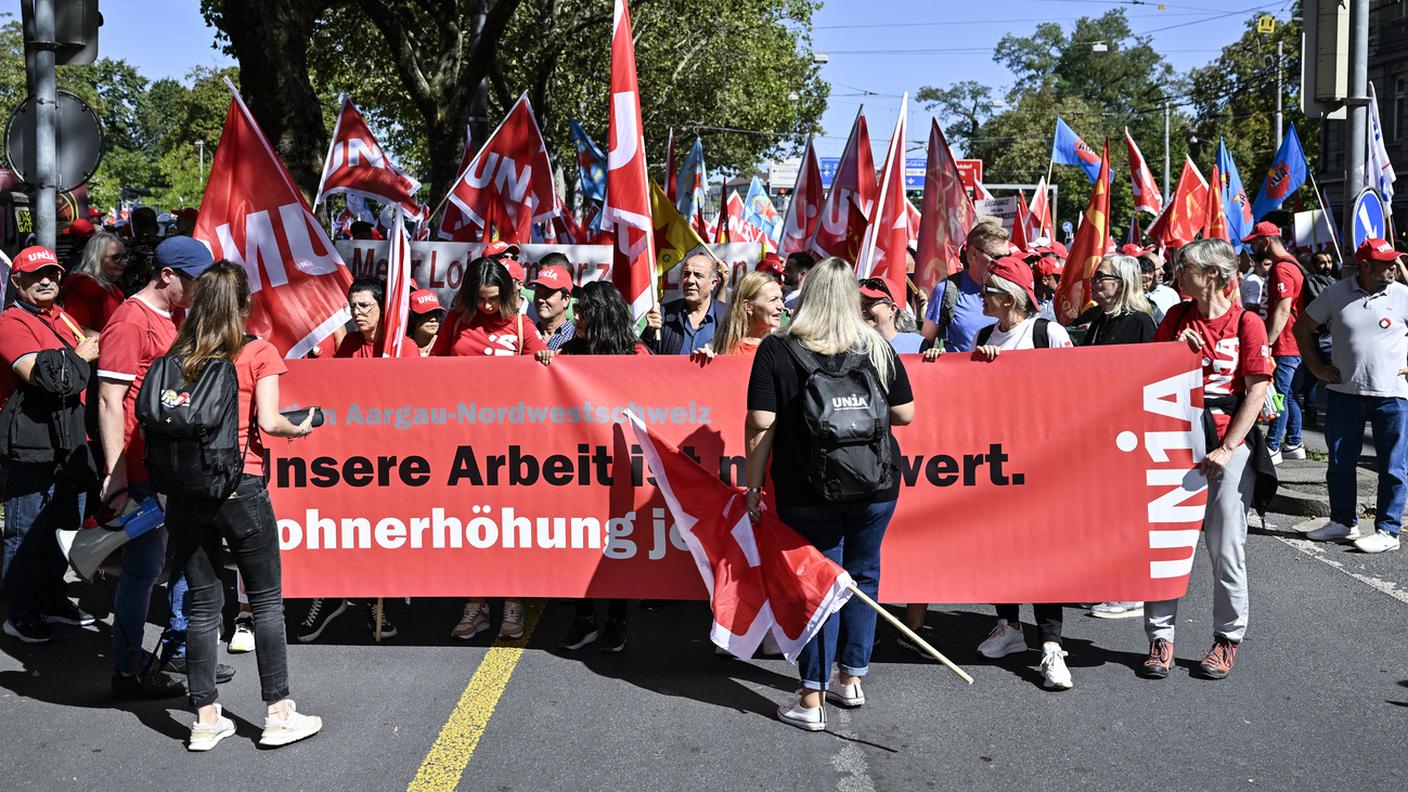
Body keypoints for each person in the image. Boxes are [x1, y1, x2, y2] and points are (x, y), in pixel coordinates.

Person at [744, 257, 915, 731]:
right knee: (862, 576)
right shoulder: (876, 347)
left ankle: (811, 696)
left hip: (807, 488)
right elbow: (904, 414)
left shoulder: (778, 349)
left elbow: (761, 423)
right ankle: (851, 678)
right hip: (876, 484)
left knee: (818, 584)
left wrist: (754, 486)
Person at [161, 261, 322, 751]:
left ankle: (206, 719)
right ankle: (277, 714)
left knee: (203, 602)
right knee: (267, 600)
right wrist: (304, 426)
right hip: (240, 485)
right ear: (243, 304)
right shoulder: (257, 351)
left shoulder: (177, 354)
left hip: (185, 491)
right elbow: (271, 423)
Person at [97, 236, 228, 697]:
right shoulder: (130, 320)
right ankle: (129, 670)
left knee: (186, 559)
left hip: (172, 464)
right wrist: (116, 479)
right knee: (144, 569)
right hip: (140, 469)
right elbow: (111, 400)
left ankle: (180, 651)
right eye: (194, 282)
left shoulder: (175, 314)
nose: (199, 291)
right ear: (166, 275)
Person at [1140, 238, 1272, 682]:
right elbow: (1149, 374)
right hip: (1173, 435)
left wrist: (1228, 447)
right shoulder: (1176, 317)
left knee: (1225, 545)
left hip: (1224, 438)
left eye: (1186, 269)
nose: (1178, 276)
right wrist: (1179, 354)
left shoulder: (1247, 322)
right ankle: (1160, 638)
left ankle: (1227, 638)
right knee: (1164, 540)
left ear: (1213, 274)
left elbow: (1256, 389)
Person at [964, 255, 1075, 689]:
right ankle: (1008, 626)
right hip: (996, 461)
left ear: (1010, 298)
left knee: (1042, 554)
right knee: (1000, 546)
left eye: (988, 290)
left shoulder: (1047, 333)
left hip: (1043, 464)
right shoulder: (983, 334)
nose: (981, 297)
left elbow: (1074, 389)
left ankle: (1050, 646)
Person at [434, 258, 550, 641]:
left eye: (494, 299)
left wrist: (547, 358)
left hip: (511, 445)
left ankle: (513, 603)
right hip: (464, 440)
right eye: (480, 299)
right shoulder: (457, 321)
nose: (487, 307)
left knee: (510, 526)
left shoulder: (521, 325)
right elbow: (430, 372)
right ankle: (476, 603)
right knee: (473, 525)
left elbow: (552, 373)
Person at [0, 247, 99, 644]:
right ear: (16, 280)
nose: (46, 281)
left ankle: (53, 598)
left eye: (53, 274)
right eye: (36, 275)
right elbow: (47, 378)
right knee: (25, 531)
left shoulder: (59, 315)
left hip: (70, 440)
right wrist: (80, 355)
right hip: (32, 443)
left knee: (64, 527)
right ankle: (20, 612)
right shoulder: (10, 323)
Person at [1294, 238, 1408, 553]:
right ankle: (1343, 522)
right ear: (1365, 265)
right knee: (1340, 462)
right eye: (1387, 262)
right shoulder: (1335, 294)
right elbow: (1301, 327)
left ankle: (1388, 530)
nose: (1393, 267)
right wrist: (1316, 367)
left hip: (1393, 395)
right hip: (1345, 393)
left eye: (1395, 262)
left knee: (1393, 466)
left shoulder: (1402, 295)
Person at [556, 281, 649, 653]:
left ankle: (616, 619)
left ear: (603, 315)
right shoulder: (568, 350)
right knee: (581, 542)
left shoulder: (636, 353)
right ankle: (584, 617)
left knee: (620, 543)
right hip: (577, 467)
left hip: (622, 465)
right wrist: (548, 363)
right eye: (576, 310)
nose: (576, 317)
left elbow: (664, 394)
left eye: (584, 311)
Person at [1076, 254, 1156, 620]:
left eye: (1102, 277)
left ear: (1122, 282)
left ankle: (1132, 591)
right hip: (1100, 428)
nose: (1095, 283)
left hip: (1128, 430)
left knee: (1126, 511)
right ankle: (1107, 581)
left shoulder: (1140, 322)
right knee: (1103, 510)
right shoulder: (1098, 321)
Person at [1243, 222, 1306, 464]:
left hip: (1284, 344)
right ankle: (1294, 442)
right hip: (1289, 343)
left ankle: (1272, 447)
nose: (1253, 248)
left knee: (1276, 395)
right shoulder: (1290, 264)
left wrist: (1266, 344)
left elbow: (1282, 310)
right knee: (1287, 395)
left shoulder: (1282, 269)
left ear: (1266, 242)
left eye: (1255, 243)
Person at [920, 222, 1005, 352]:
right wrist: (934, 353)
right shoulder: (947, 290)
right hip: (962, 371)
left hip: (1006, 370)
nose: (1004, 263)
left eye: (1008, 256)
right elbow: (926, 341)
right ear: (973, 254)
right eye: (997, 257)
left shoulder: (1012, 289)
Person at [643, 251, 726, 354]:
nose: (690, 280)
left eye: (698, 275)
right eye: (686, 274)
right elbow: (644, 357)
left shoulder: (728, 317)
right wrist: (649, 334)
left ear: (714, 283)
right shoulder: (663, 314)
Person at [333, 276, 419, 359]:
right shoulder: (350, 342)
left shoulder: (403, 346)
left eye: (364, 305)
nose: (356, 312)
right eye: (352, 306)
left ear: (382, 307)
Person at [703, 271, 784, 356]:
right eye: (773, 300)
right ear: (748, 306)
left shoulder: (785, 346)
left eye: (781, 299)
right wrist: (703, 362)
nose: (781, 306)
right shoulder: (717, 349)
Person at [62, 231, 129, 333]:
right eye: (115, 258)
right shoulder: (83, 285)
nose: (123, 262)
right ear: (97, 258)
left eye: (124, 256)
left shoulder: (112, 288)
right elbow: (77, 328)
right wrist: (112, 342)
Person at [861, 278, 924, 353]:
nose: (863, 310)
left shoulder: (917, 344)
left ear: (892, 309)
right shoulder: (855, 348)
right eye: (861, 305)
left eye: (869, 304)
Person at [530, 263, 576, 350]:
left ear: (566, 300)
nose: (540, 300)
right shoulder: (526, 334)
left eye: (548, 294)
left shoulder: (576, 338)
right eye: (537, 293)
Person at [1141, 252, 1180, 325]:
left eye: (1162, 267)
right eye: (1157, 269)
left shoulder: (1170, 294)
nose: (1163, 272)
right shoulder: (1133, 296)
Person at [408, 289, 445, 357]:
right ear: (412, 318)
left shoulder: (446, 345)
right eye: (427, 314)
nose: (433, 319)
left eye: (436, 313)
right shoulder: (400, 347)